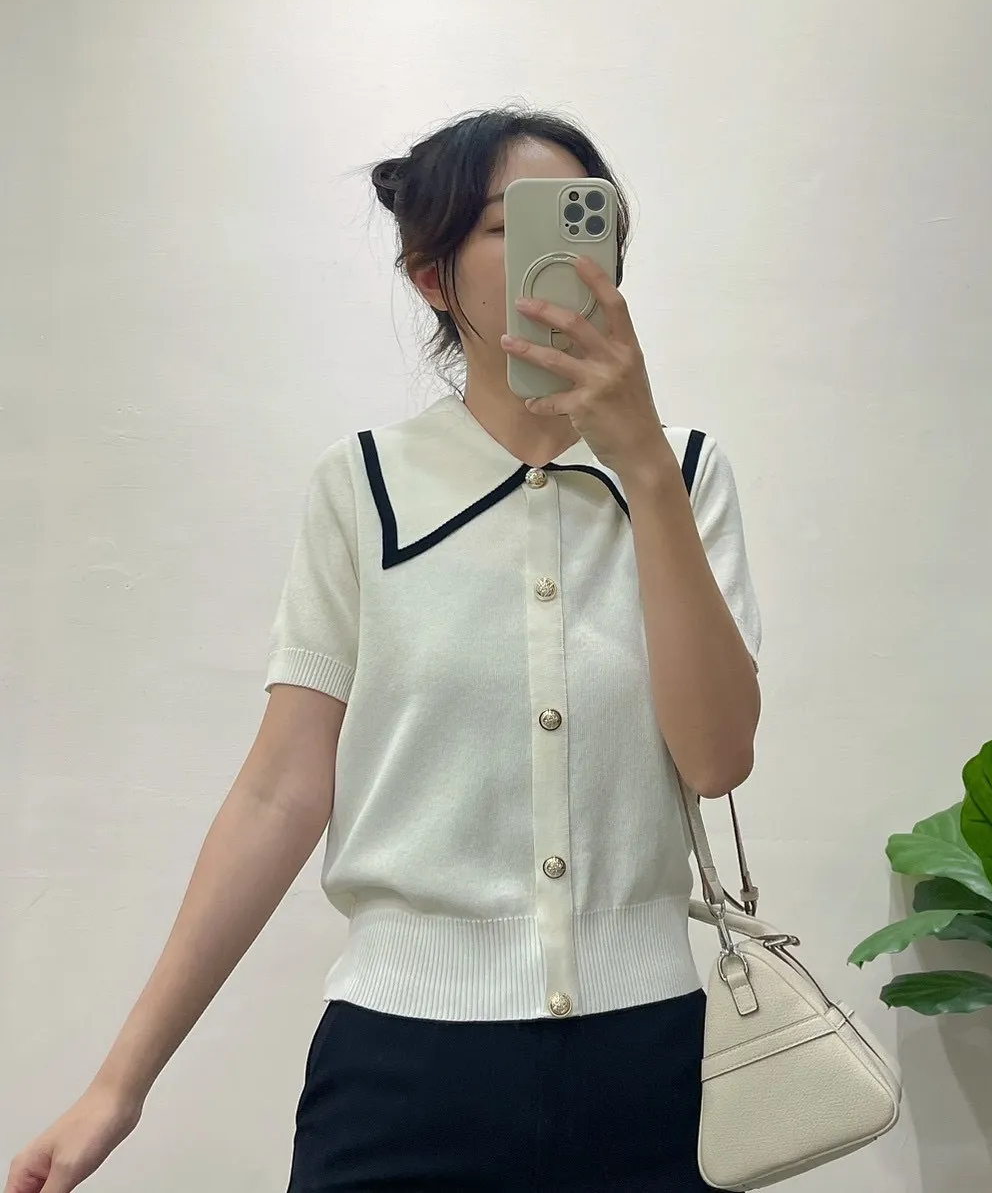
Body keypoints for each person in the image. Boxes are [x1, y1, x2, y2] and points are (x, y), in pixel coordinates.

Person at [6, 107, 762, 1193]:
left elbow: (717, 757)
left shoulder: (684, 475)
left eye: (582, 216)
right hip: (401, 1067)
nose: (560, 248)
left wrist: (640, 461)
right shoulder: (362, 486)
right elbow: (278, 791)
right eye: (510, 224)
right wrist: (120, 1085)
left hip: (648, 1063)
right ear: (430, 276)